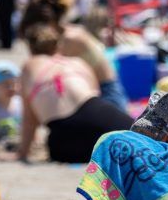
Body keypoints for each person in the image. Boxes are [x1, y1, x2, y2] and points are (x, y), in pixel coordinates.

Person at [19, 23, 132, 163]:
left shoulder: (29, 66)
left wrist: (22, 154)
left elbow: (29, 121)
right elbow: (96, 94)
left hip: (63, 140)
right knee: (137, 139)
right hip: (101, 120)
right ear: (58, 45)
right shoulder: (77, 62)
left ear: (29, 47)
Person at [18, 0, 129, 111]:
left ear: (49, 23)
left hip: (107, 96)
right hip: (98, 92)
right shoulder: (69, 33)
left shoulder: (69, 39)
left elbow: (50, 73)